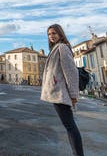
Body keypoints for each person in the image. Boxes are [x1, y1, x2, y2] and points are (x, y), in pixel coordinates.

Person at [40, 24, 84, 156]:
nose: (51, 36)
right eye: (49, 34)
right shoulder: (56, 48)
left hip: (61, 93)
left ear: (60, 34)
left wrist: (73, 94)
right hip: (57, 92)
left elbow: (71, 72)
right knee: (69, 126)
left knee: (70, 127)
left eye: (54, 33)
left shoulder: (62, 48)